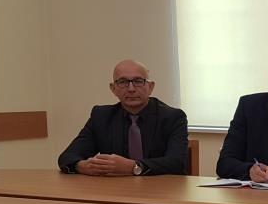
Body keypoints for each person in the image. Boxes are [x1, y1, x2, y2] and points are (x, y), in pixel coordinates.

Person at [58, 59, 189, 176]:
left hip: (161, 189)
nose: (131, 89)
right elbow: (67, 156)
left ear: (150, 87)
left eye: (138, 81)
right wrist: (82, 166)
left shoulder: (173, 117)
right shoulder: (101, 117)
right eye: (123, 82)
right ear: (113, 88)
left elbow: (177, 163)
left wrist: (133, 167)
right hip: (115, 190)